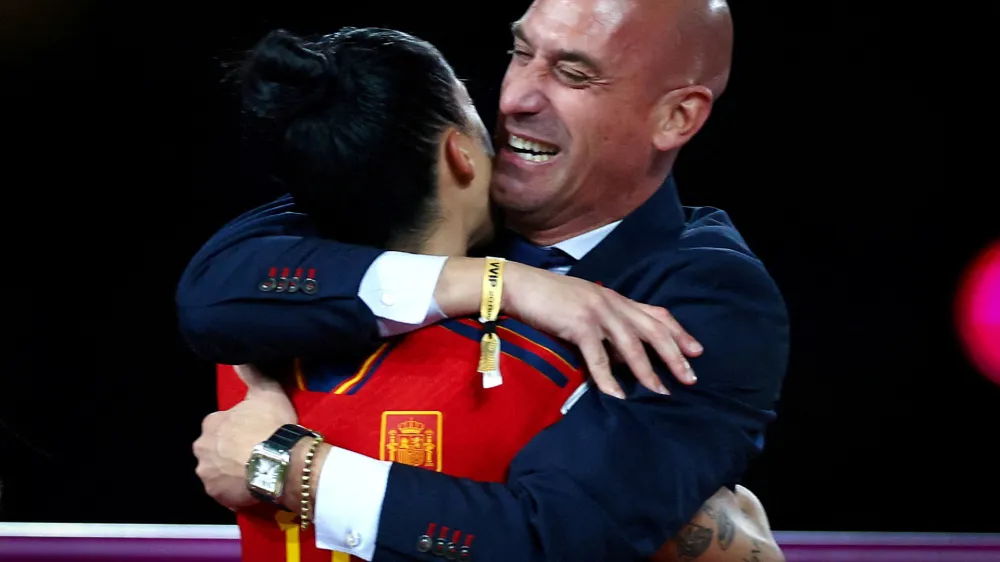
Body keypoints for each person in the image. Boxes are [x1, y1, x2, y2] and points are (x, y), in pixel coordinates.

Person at [182, 0, 790, 560]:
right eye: (522, 52)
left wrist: (290, 469)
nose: (516, 98)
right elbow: (212, 289)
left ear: (675, 116)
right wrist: (493, 281)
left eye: (574, 75)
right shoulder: (432, 194)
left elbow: (555, 540)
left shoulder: (709, 299)